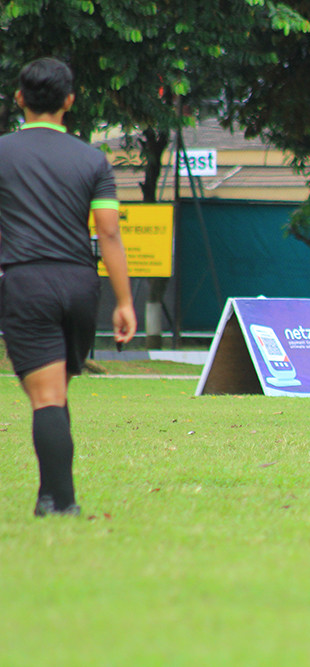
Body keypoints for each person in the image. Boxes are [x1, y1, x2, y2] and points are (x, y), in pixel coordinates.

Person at [0, 58, 136, 516]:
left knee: (46, 397)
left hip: (26, 281)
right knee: (57, 391)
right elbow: (109, 233)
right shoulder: (91, 159)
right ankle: (54, 496)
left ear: (20, 99)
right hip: (80, 285)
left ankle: (60, 503)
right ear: (69, 102)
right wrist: (124, 301)